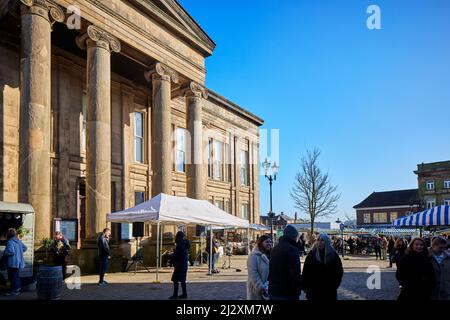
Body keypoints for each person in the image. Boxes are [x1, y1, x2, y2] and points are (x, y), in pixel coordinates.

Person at [302, 233, 343, 301]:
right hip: (313, 291)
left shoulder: (333, 255)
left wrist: (334, 285)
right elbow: (306, 271)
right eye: (318, 240)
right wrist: (305, 287)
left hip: (329, 291)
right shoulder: (312, 254)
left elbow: (339, 271)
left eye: (322, 240)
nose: (319, 242)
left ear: (326, 242)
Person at [268, 225, 302, 300]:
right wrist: (298, 289)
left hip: (274, 290)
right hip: (287, 292)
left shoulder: (274, 249)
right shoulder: (292, 249)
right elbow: (294, 273)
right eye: (296, 237)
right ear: (293, 237)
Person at [3, 228, 27, 296]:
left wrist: (5, 253)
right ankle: (17, 289)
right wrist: (19, 251)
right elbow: (25, 248)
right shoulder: (18, 241)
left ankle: (14, 291)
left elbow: (11, 252)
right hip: (18, 262)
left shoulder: (10, 241)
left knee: (13, 277)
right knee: (16, 276)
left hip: (13, 262)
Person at [247, 235, 272, 300]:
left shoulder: (271, 254)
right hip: (257, 290)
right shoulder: (253, 256)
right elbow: (253, 273)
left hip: (269, 289)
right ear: (261, 243)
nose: (269, 244)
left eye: (270, 242)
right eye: (267, 242)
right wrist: (261, 287)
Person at [169, 231, 190, 299]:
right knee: (182, 280)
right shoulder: (184, 243)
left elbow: (176, 255)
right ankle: (184, 294)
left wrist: (172, 254)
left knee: (175, 280)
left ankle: (175, 295)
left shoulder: (180, 244)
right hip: (184, 264)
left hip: (180, 264)